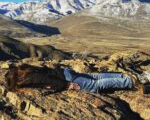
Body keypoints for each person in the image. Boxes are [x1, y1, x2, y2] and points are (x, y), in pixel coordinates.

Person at [5, 64, 135, 93]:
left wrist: (67, 86)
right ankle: (122, 76)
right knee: (94, 77)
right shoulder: (28, 69)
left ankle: (129, 81)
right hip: (65, 71)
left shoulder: (30, 77)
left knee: (94, 86)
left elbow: (49, 80)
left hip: (66, 77)